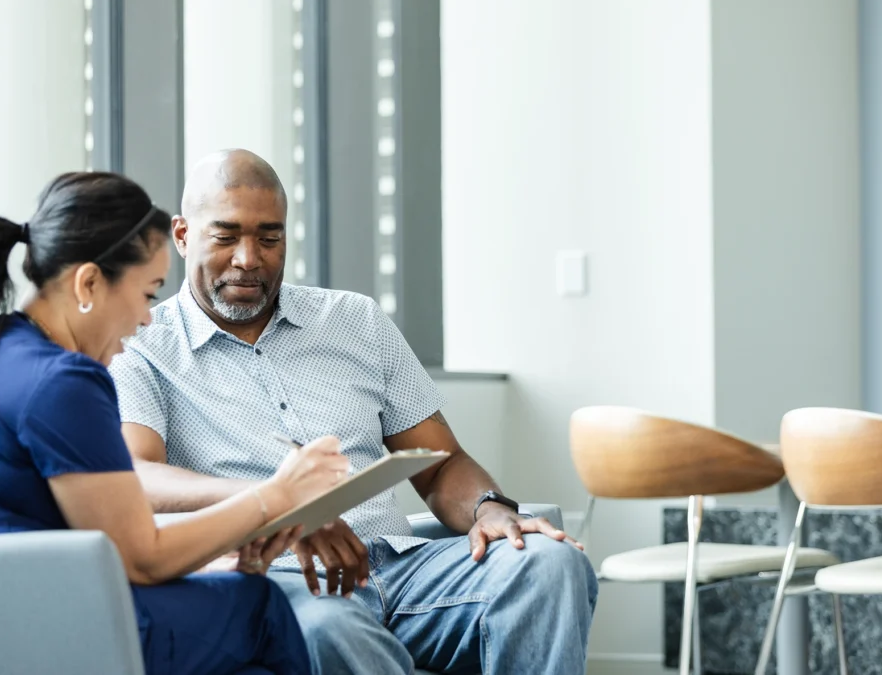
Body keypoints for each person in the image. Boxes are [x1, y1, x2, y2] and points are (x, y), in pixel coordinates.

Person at [109, 149, 599, 675]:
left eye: (269, 238)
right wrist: (280, 508)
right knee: (326, 630)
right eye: (226, 236)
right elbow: (140, 476)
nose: (249, 258)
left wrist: (490, 508)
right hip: (284, 579)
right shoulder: (141, 345)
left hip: (403, 566)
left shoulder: (354, 320)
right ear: (183, 236)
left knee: (549, 564)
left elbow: (441, 462)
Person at [0, 171, 350, 675]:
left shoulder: (2, 347)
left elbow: (96, 530)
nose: (148, 320)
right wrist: (279, 495)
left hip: (20, 609)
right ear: (88, 282)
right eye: (148, 294)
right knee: (260, 607)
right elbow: (142, 558)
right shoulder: (64, 381)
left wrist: (206, 558)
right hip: (60, 617)